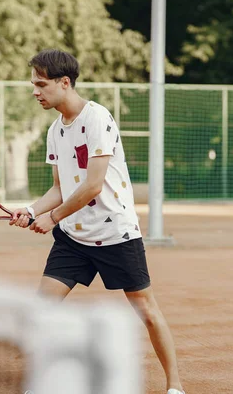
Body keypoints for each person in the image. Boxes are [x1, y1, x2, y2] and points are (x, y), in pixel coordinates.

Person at [10, 49, 185, 394]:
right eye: (33, 84)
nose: (35, 91)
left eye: (41, 84)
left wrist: (52, 218)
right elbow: (61, 187)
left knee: (146, 311)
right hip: (73, 238)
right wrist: (31, 211)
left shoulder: (97, 118)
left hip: (114, 232)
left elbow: (92, 185)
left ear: (64, 82)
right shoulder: (55, 132)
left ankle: (175, 386)